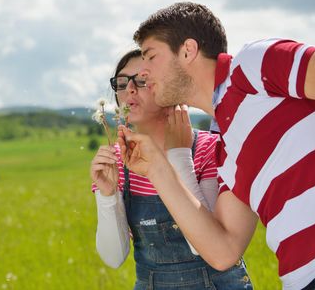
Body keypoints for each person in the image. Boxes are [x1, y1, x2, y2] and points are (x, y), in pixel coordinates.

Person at [117, 2, 315, 290]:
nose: (144, 73)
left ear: (187, 50)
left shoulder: (251, 65)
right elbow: (222, 252)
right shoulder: (226, 153)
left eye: (150, 57)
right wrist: (158, 169)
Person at [90, 49, 252, 289]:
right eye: (122, 83)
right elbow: (113, 258)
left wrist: (179, 156)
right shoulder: (117, 160)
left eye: (142, 80)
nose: (130, 89)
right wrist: (108, 196)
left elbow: (207, 248)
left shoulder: (208, 148)